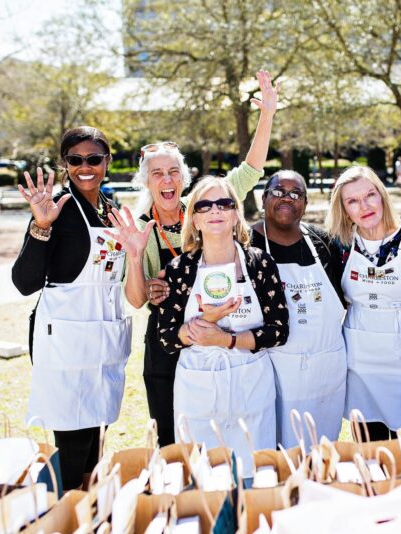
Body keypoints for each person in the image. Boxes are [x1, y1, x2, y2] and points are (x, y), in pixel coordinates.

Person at [119, 71, 278, 446]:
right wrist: (139, 260)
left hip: (225, 333)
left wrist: (267, 114)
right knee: (175, 440)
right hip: (168, 337)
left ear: (184, 176)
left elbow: (252, 170)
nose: (167, 178)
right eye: (157, 173)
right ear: (147, 182)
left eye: (174, 170)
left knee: (227, 433)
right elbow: (137, 299)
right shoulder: (141, 228)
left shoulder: (209, 204)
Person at [12, 127, 153, 490]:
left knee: (97, 439)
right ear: (65, 164)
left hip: (104, 342)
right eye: (75, 160)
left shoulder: (108, 209)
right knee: (73, 447)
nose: (85, 167)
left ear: (107, 162)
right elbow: (24, 282)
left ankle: (90, 509)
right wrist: (40, 227)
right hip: (67, 344)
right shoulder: (56, 207)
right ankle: (65, 512)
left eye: (94, 159)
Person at [157, 176, 289, 470]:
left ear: (235, 215)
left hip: (250, 384)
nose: (215, 210)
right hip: (198, 388)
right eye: (204, 206)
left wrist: (226, 339)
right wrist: (207, 322)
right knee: (202, 476)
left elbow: (279, 331)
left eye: (224, 203)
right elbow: (166, 338)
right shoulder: (180, 270)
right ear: (195, 220)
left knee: (255, 473)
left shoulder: (259, 263)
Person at [326, 166, 401, 440]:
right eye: (352, 201)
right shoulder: (342, 246)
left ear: (382, 196)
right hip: (360, 369)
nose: (364, 206)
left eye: (370, 195)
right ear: (344, 209)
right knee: (370, 457)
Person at [250, 170, 347, 447]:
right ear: (263, 198)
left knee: (322, 449)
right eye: (278, 191)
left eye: (296, 194)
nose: (287, 198)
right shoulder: (246, 245)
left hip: (326, 369)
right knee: (277, 450)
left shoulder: (322, 242)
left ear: (305, 204)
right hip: (276, 370)